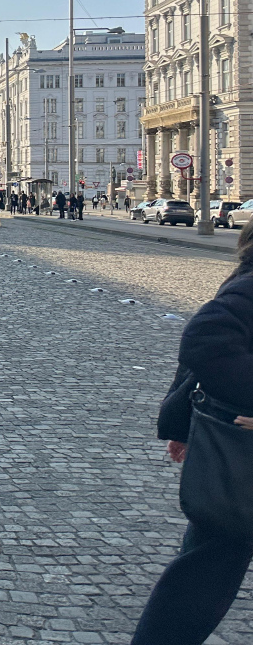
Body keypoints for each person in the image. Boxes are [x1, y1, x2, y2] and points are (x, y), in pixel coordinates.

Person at [132, 227, 253, 643]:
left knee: (207, 564)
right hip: (242, 452)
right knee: (206, 569)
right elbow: (204, 343)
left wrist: (182, 425)